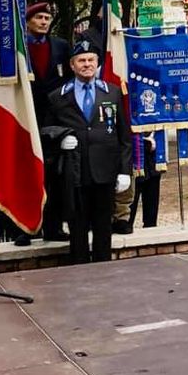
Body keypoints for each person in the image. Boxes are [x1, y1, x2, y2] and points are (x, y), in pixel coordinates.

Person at [43, 40, 132, 264]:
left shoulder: (111, 93)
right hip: (75, 174)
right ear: (72, 65)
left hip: (105, 171)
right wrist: (61, 139)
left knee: (104, 228)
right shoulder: (58, 97)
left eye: (91, 60)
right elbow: (45, 132)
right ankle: (80, 271)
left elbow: (124, 136)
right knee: (78, 229)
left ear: (97, 63)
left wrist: (124, 171)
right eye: (81, 61)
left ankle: (103, 272)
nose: (86, 64)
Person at [16, 1, 71, 245]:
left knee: (54, 175)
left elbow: (68, 79)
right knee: (29, 174)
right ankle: (26, 228)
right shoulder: (18, 48)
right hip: (27, 116)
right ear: (28, 21)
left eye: (47, 18)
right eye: (39, 18)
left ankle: (53, 226)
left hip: (55, 119)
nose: (44, 22)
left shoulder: (60, 46)